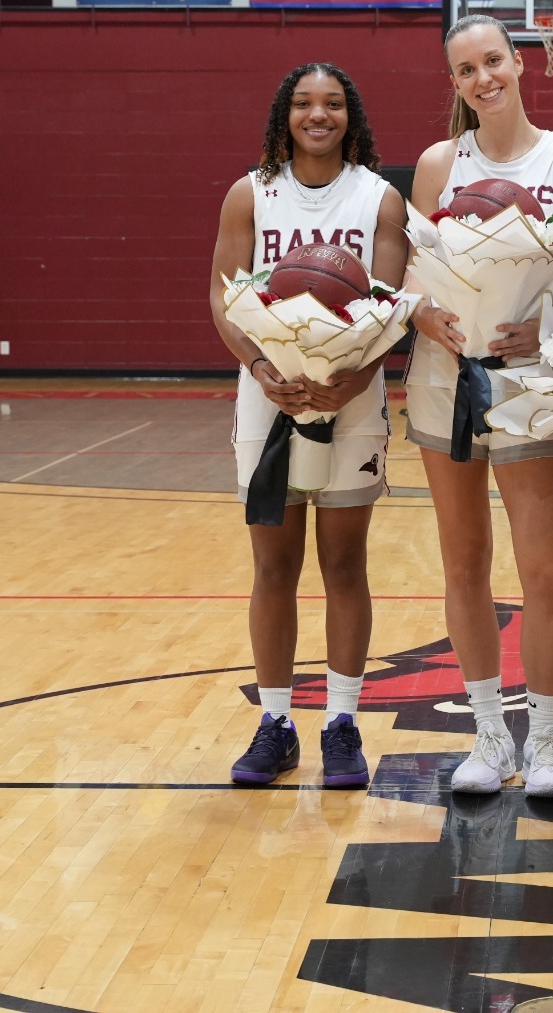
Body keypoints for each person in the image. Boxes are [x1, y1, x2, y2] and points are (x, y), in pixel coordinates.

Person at [406, 13, 553, 799]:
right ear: (454, 84)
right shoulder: (434, 163)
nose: (483, 77)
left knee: (544, 569)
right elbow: (413, 271)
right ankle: (489, 733)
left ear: (521, 63)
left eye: (493, 61)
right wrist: (422, 313)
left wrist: (552, 326)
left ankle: (547, 741)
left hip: (531, 382)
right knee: (463, 563)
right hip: (444, 379)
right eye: (466, 70)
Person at [209, 63, 407, 790]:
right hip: (268, 396)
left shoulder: (380, 197)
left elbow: (387, 304)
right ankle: (277, 722)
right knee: (273, 566)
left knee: (345, 564)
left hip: (353, 397)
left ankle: (342, 722)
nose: (317, 114)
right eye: (303, 102)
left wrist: (350, 377)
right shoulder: (249, 192)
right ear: (284, 114)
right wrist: (262, 368)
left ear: (350, 115)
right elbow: (222, 293)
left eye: (331, 103)